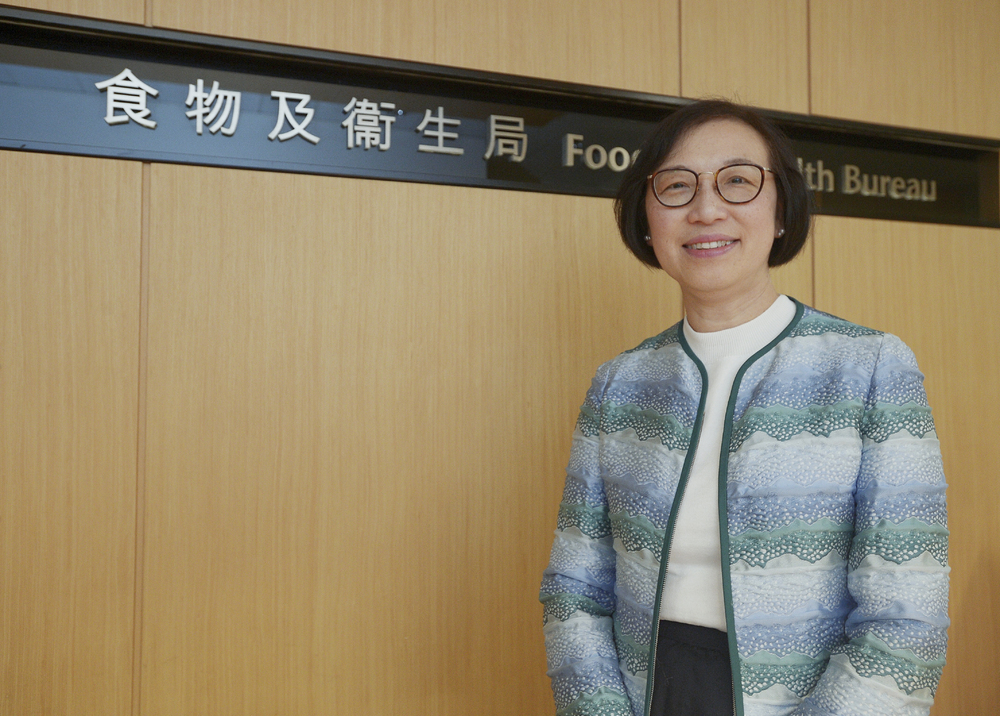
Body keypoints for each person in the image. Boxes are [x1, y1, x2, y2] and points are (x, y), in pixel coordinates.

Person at [539, 99, 949, 716]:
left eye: (737, 181)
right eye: (677, 186)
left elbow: (907, 610)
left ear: (781, 208)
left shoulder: (869, 366)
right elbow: (574, 591)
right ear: (647, 220)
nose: (706, 209)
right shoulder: (619, 384)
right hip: (650, 690)